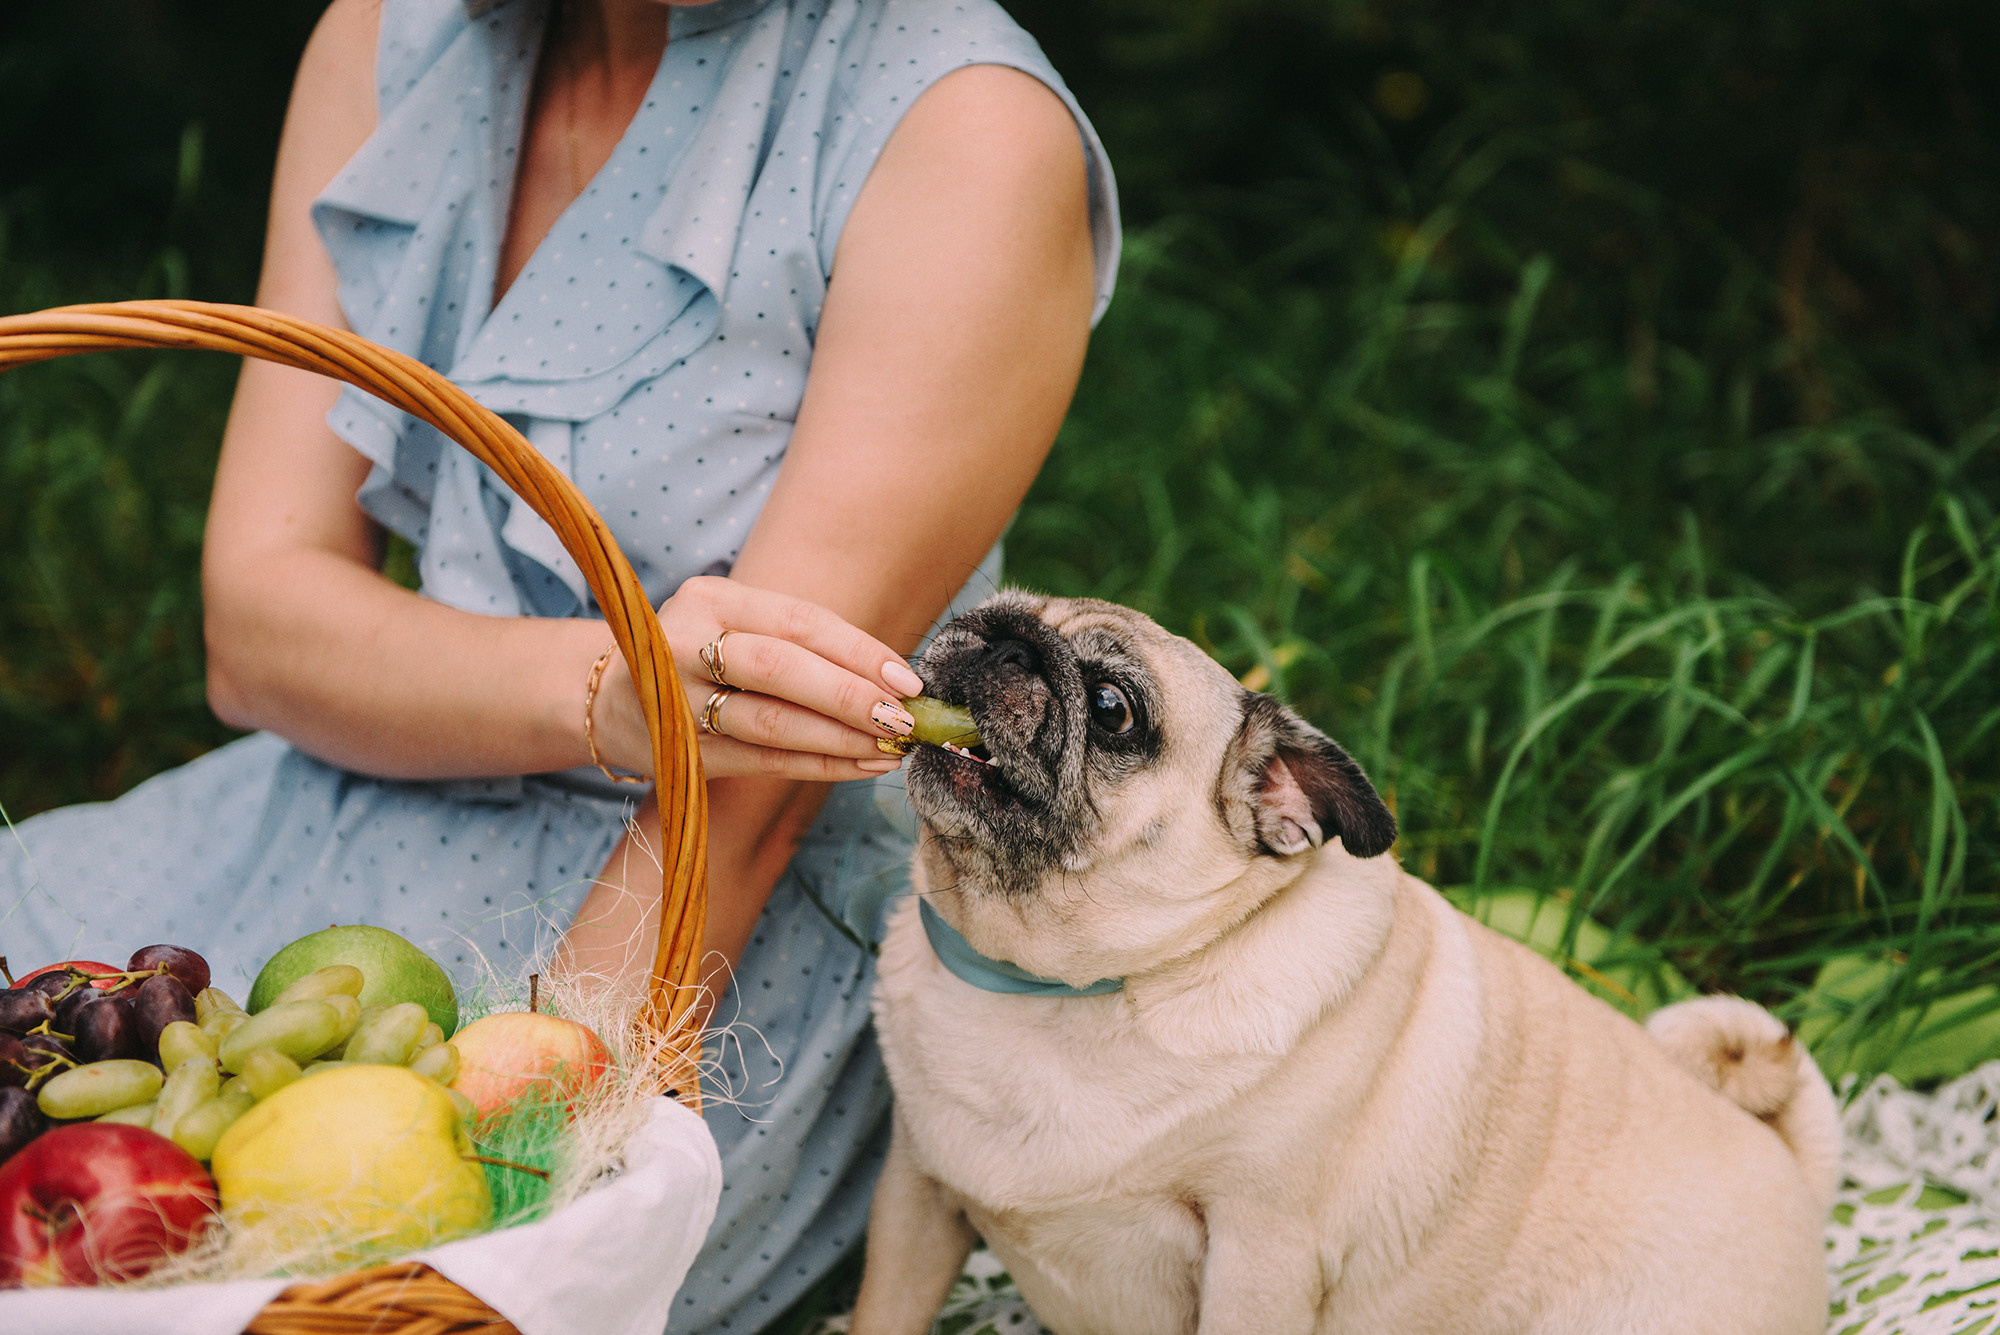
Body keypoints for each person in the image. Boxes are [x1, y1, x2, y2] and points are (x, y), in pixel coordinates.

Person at [0, 0, 1117, 1326]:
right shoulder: (386, 38)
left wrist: (522, 1173)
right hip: (345, 784)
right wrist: (614, 691)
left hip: (686, 914)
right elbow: (258, 630)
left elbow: (745, 790)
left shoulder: (964, 127)